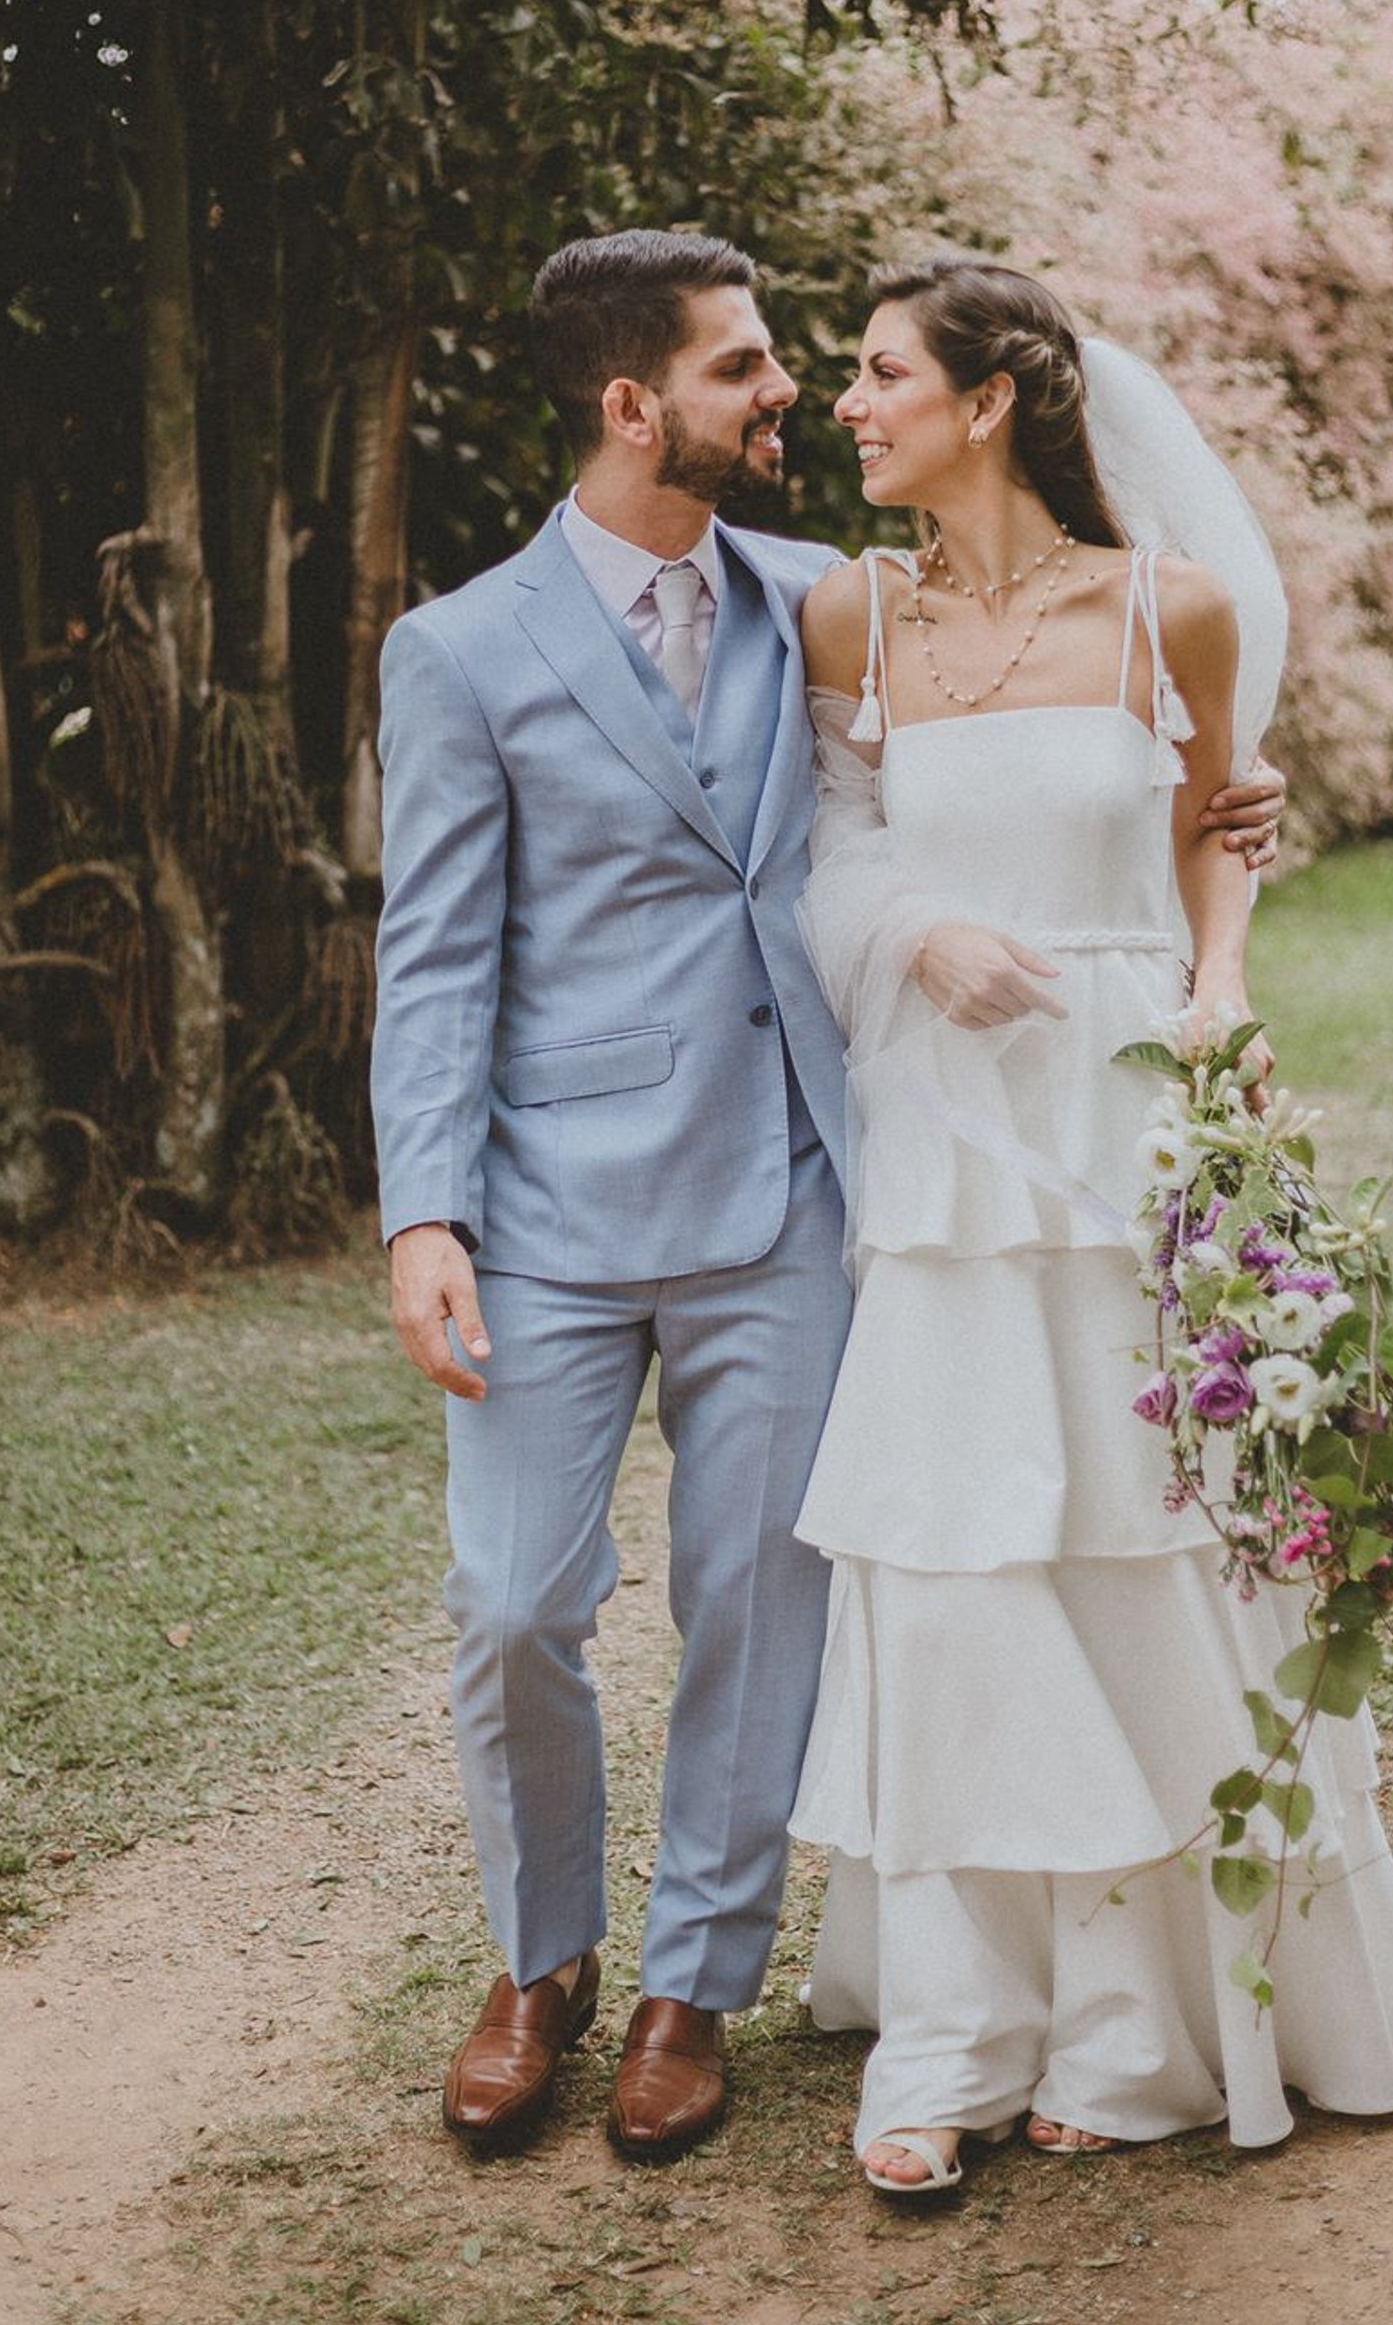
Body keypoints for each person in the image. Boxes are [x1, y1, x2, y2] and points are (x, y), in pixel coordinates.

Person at [371, 229, 1286, 2163]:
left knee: (759, 1601)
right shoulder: (457, 647)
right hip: (543, 1209)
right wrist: (423, 1215)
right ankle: (540, 1964)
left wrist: (1217, 825)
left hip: (794, 1190)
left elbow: (1059, 745)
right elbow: (435, 956)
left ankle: (697, 1985)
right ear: (635, 406)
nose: (791, 395)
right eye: (746, 369)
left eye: (810, 365)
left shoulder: (830, 604)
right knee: (511, 1599)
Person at [789, 257, 1393, 2194]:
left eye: (879, 369)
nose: (851, 400)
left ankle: (1135, 2023)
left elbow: (1214, 825)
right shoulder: (854, 608)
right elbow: (833, 854)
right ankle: (951, 2028)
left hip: (1119, 1116)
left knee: (1137, 1547)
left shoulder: (1170, 608)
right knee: (947, 1561)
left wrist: (1221, 979)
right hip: (941, 1145)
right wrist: (918, 932)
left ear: (990, 396)